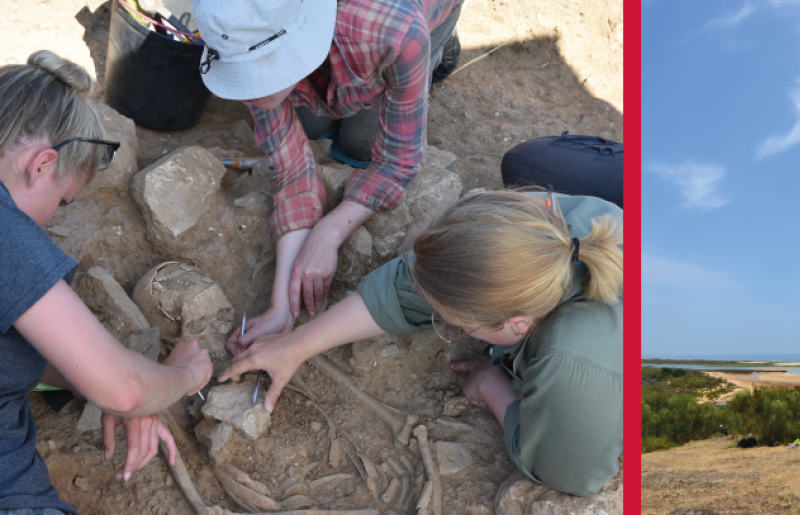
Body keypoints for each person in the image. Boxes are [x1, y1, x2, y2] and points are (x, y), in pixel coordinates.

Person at [225, 189, 623, 497]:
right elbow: (411, 284)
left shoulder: (572, 365)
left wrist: (491, 384)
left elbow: (569, 469)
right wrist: (295, 345)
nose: (440, 322)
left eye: (453, 323)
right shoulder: (523, 229)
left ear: (517, 324)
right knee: (521, 159)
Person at [0, 50, 210, 515]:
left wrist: (97, 379)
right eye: (63, 202)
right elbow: (123, 385)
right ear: (41, 165)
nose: (51, 221)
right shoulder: (5, 232)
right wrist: (178, 376)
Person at [195, 0, 467, 352]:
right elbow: (292, 171)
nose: (250, 90)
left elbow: (396, 163)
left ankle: (441, 50)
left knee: (361, 143)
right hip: (349, 43)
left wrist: (329, 231)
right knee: (311, 125)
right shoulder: (243, 25)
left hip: (416, 20)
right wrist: (282, 307)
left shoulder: (395, 35)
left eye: (262, 71)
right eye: (243, 74)